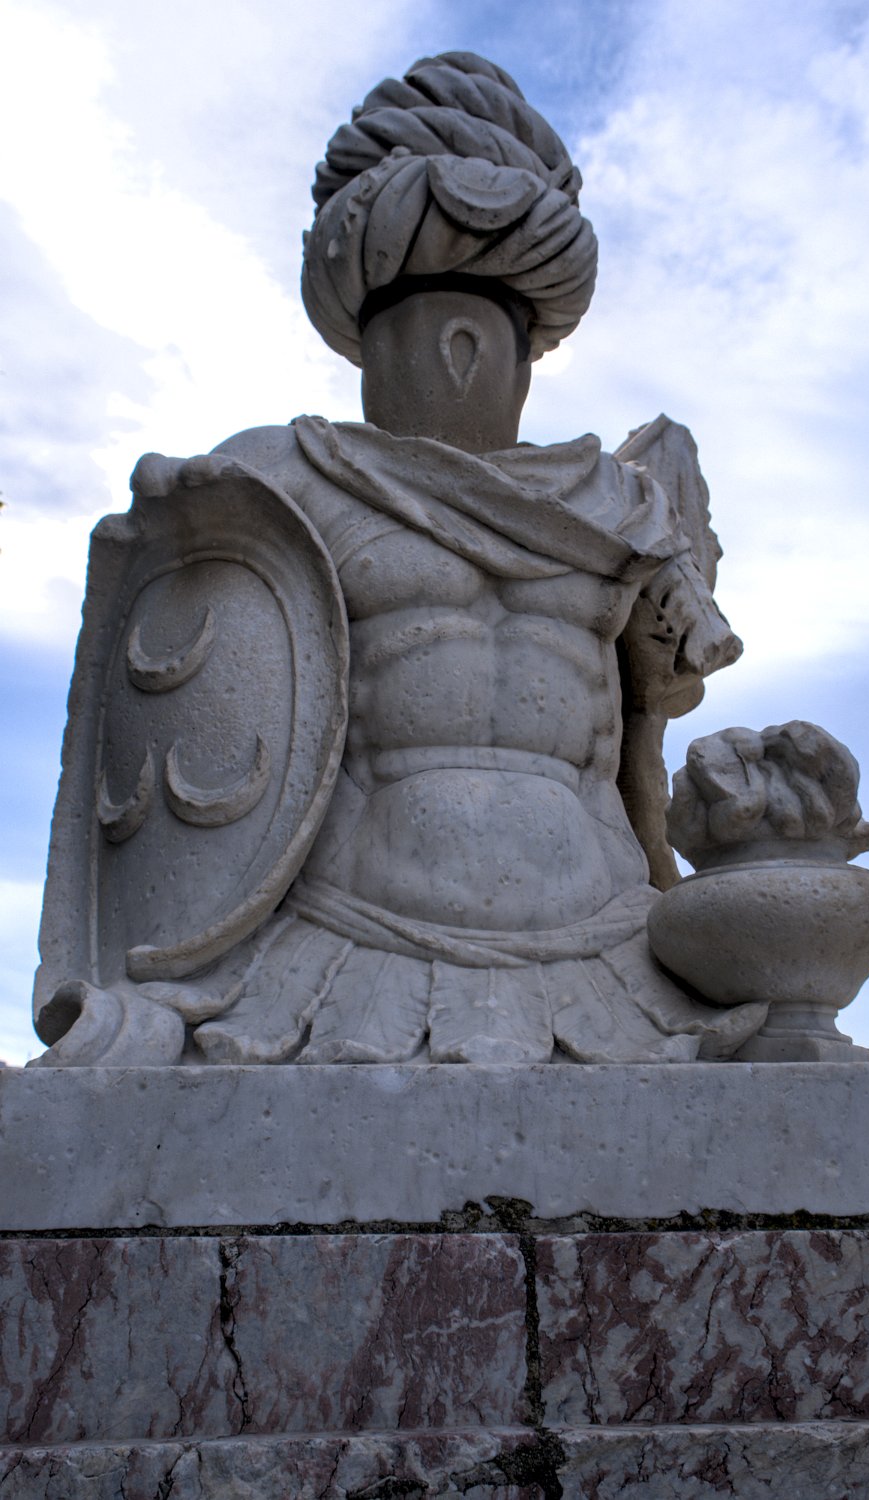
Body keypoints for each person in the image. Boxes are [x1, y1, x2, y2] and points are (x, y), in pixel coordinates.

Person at [33, 52, 766, 1066]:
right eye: (422, 325)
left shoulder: (623, 505)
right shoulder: (267, 486)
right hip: (335, 954)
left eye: (480, 325)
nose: (452, 353)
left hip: (609, 951)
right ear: (365, 333)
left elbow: (656, 722)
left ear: (518, 340)